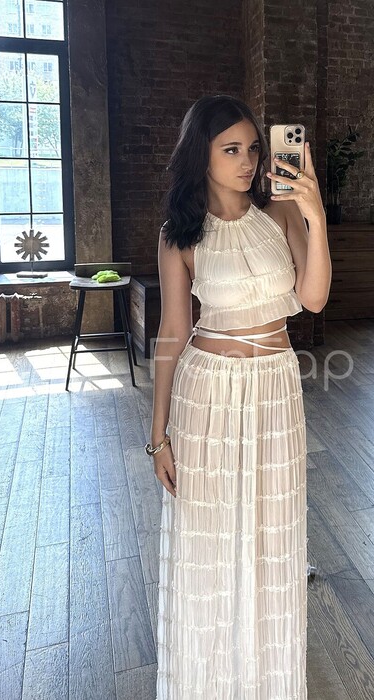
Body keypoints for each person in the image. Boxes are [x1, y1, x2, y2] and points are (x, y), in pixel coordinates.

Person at [148, 94, 331, 699]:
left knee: (272, 532)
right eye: (231, 149)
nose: (248, 160)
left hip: (276, 388)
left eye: (253, 148)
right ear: (199, 155)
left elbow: (313, 298)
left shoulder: (281, 216)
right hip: (207, 395)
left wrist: (313, 214)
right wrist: (158, 435)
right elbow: (173, 331)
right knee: (208, 534)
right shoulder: (180, 235)